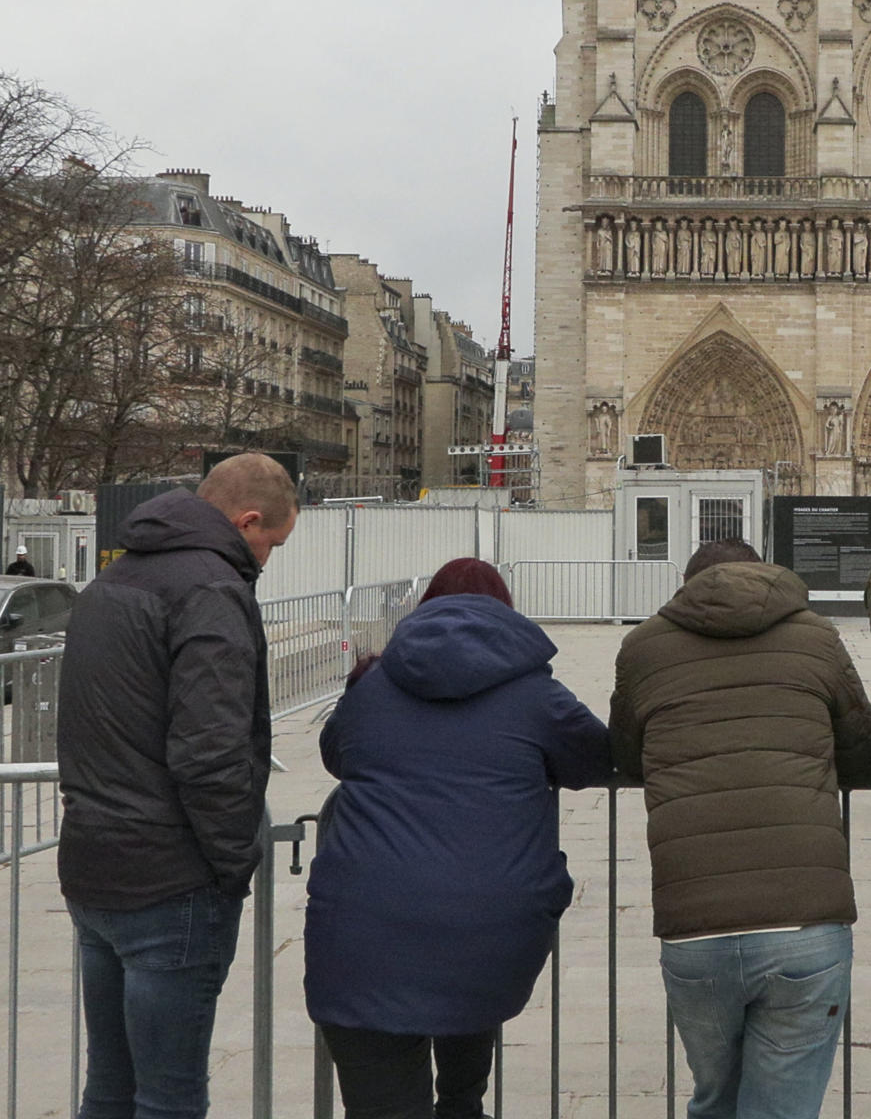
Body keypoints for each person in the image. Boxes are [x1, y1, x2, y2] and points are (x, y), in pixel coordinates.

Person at [305, 558, 613, 1119]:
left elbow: (335, 755)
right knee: (468, 999)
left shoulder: (372, 687)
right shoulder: (535, 695)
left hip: (362, 925)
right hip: (489, 921)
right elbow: (597, 757)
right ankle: (462, 1102)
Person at [56, 453, 298, 1119]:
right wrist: (230, 865)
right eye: (272, 543)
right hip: (170, 879)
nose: (268, 559)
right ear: (248, 521)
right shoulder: (211, 591)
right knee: (169, 1097)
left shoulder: (112, 580)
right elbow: (210, 753)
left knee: (108, 1087)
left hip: (92, 866)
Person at [610, 538, 871, 1119]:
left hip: (694, 921)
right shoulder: (816, 635)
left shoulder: (642, 647)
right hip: (804, 920)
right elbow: (864, 752)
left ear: (684, 584)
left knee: (714, 1101)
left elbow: (627, 758)